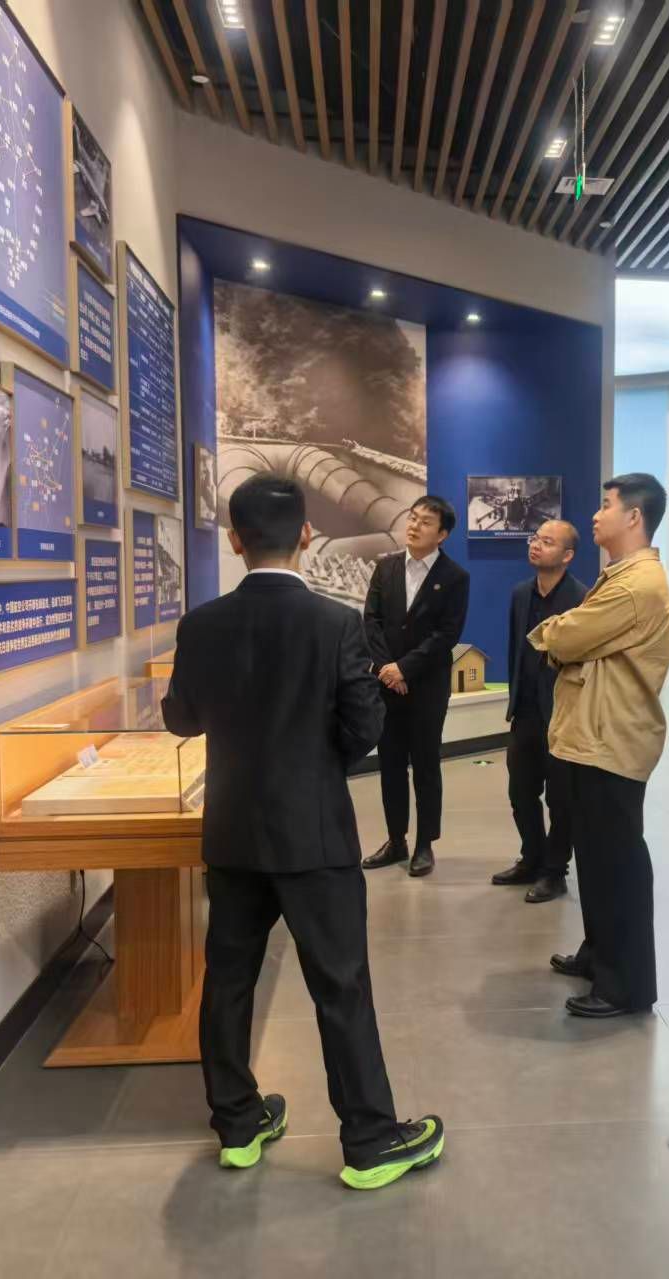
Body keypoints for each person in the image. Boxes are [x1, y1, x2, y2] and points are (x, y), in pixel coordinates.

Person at [162, 474, 445, 1190]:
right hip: (313, 833)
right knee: (340, 984)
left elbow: (180, 718)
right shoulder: (336, 623)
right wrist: (319, 769)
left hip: (232, 829)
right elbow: (365, 725)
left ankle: (238, 1124)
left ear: (235, 540)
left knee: (229, 979)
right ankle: (370, 1139)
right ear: (308, 536)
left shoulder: (201, 624)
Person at [530, 474, 669, 1018]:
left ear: (634, 517)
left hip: (612, 740)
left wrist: (559, 639)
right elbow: (574, 635)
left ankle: (625, 985)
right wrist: (567, 639)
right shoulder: (620, 576)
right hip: (592, 737)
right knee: (594, 860)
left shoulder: (636, 585)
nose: (596, 514)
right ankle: (599, 955)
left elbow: (563, 636)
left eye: (606, 504)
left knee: (615, 866)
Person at [361, 496, 471, 878]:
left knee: (425, 764)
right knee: (390, 764)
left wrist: (405, 669)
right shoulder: (386, 567)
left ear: (442, 534)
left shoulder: (455, 577)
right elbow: (371, 621)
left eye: (425, 522)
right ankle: (396, 840)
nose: (414, 526)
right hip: (386, 684)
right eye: (412, 518)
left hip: (427, 686)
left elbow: (447, 633)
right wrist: (386, 669)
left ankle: (425, 844)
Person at [491, 519, 587, 903]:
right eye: (535, 538)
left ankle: (554, 871)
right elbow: (517, 649)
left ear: (567, 555)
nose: (536, 545)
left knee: (561, 800)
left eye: (547, 541)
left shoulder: (582, 599)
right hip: (526, 711)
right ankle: (531, 858)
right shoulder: (520, 594)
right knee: (520, 791)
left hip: (563, 715)